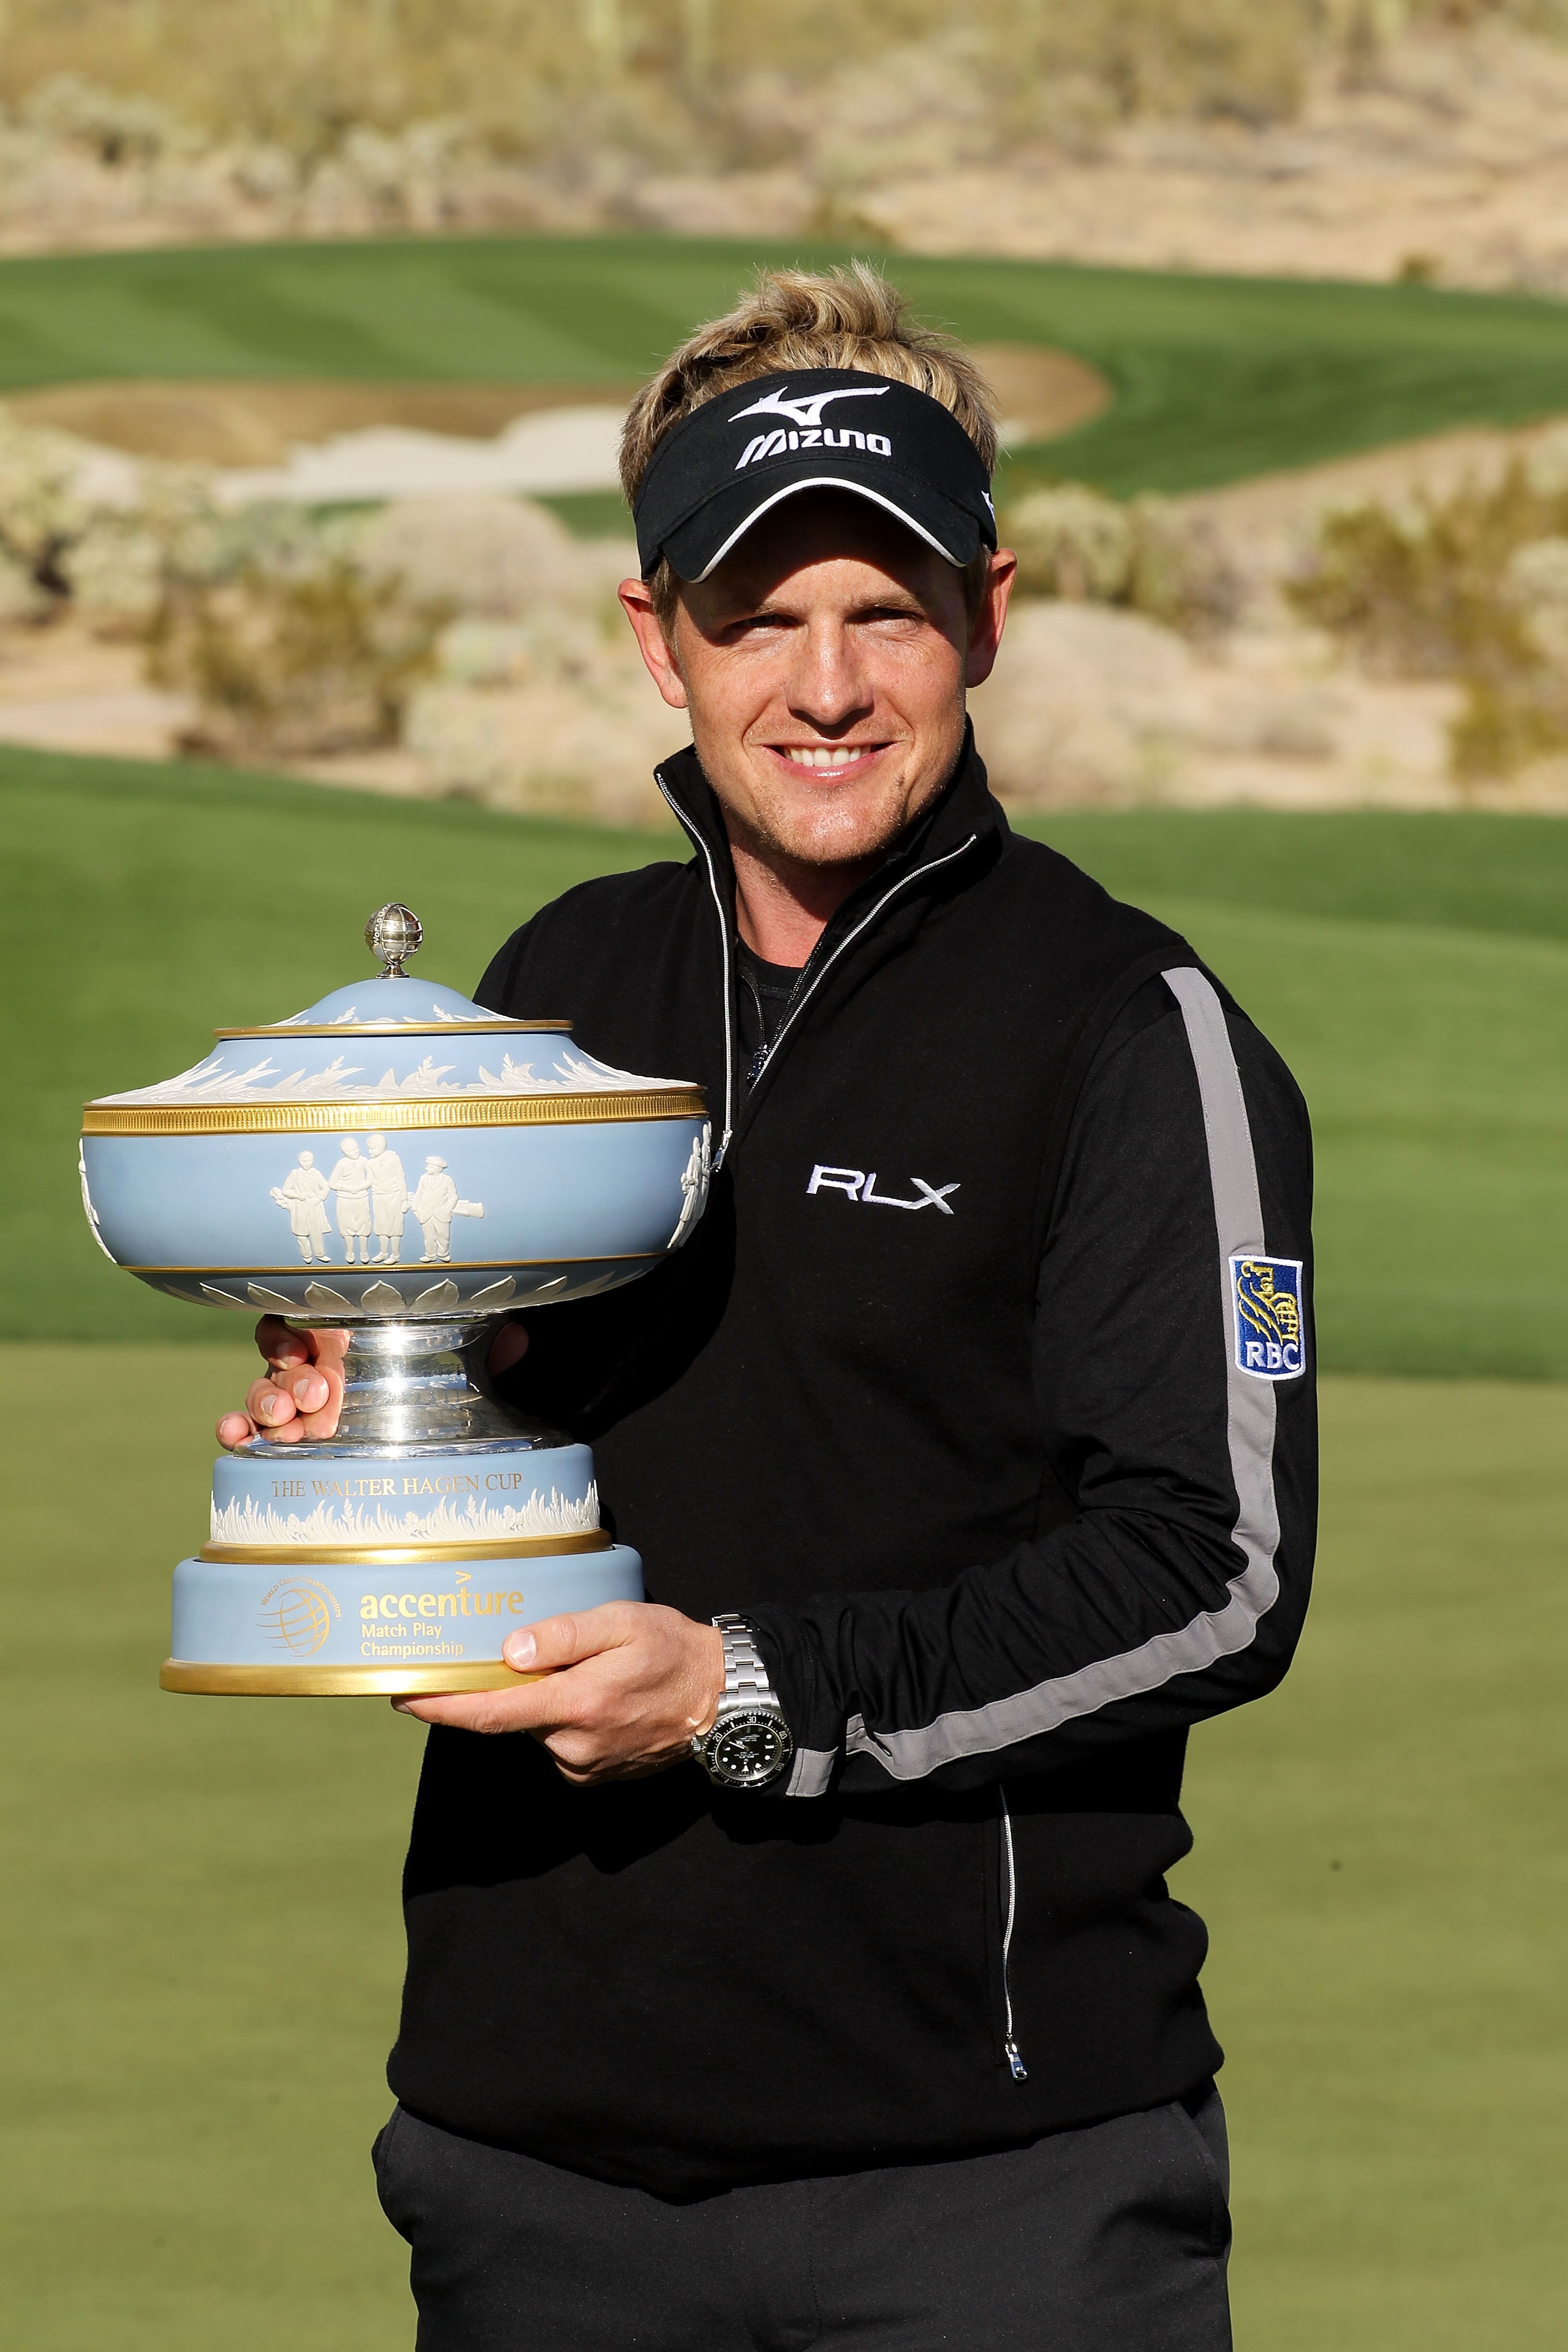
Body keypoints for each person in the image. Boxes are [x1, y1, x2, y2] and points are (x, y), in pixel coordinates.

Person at [219, 266, 1315, 2351]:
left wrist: (740, 1689)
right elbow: (505, 1415)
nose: (824, 685)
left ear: (986, 615)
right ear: (658, 637)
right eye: (756, 615)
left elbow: (1216, 1570)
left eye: (883, 609)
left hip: (984, 2194)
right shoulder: (563, 981)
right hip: (532, 2174)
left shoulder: (1126, 1024)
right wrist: (382, 1395)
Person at [269, 1149, 331, 1265]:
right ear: (299, 1161)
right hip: (300, 1206)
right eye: (304, 1161)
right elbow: (286, 1190)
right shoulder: (294, 1174)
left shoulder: (316, 1173)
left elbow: (326, 1187)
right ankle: (306, 1255)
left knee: (316, 1231)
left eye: (309, 1161)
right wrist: (298, 1196)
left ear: (313, 1161)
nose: (307, 1164)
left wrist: (319, 1199)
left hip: (314, 1205)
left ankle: (320, 1254)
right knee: (301, 1233)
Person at [365, 1132, 410, 1266]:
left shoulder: (393, 1158)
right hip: (378, 1196)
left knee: (395, 1227)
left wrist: (405, 1200)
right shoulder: (370, 1163)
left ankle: (395, 1255)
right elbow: (369, 1181)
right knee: (381, 1225)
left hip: (394, 1196)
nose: (369, 1151)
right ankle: (384, 1252)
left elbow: (401, 1179)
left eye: (372, 1148)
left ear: (381, 1146)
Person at [326, 1136, 373, 1264]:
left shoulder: (365, 1161)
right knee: (346, 1226)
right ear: (345, 1152)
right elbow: (332, 1183)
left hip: (361, 1198)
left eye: (357, 1148)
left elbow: (370, 1179)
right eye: (352, 1150)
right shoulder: (341, 1164)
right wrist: (347, 1188)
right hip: (345, 1200)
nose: (356, 1151)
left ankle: (364, 1252)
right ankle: (350, 1252)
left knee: (363, 1226)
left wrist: (361, 1187)